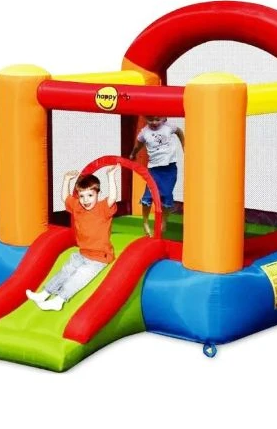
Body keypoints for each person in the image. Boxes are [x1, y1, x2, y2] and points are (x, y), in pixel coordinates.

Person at [25, 164, 120, 311]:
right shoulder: (78, 207)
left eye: (90, 195)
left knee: (79, 276)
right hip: (82, 253)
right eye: (82, 196)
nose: (85, 200)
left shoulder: (102, 208)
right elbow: (65, 198)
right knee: (66, 270)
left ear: (98, 194)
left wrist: (111, 176)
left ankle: (59, 300)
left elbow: (113, 197)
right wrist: (66, 180)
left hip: (99, 257)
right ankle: (45, 293)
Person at [128, 116, 185, 237]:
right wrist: (133, 154)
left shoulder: (168, 127)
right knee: (147, 197)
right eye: (150, 120)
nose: (154, 122)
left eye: (157, 120)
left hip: (169, 169)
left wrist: (184, 147)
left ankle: (164, 221)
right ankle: (145, 222)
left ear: (163, 118)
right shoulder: (144, 132)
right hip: (154, 170)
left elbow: (179, 132)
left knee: (167, 196)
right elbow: (138, 145)